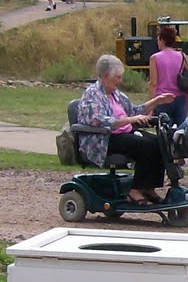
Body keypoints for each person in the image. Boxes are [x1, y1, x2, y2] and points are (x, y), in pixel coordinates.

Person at [75, 53, 175, 204]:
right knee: (145, 146)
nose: (120, 80)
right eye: (117, 77)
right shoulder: (92, 94)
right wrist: (129, 120)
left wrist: (156, 101)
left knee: (159, 142)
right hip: (103, 139)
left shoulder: (116, 95)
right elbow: (98, 120)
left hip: (121, 133)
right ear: (106, 76)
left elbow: (134, 111)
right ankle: (134, 190)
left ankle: (148, 187)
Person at [148, 23, 188, 128]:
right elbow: (187, 78)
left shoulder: (155, 58)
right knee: (181, 132)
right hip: (180, 98)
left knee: (164, 132)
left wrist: (151, 105)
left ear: (162, 40)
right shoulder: (182, 56)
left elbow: (153, 83)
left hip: (162, 98)